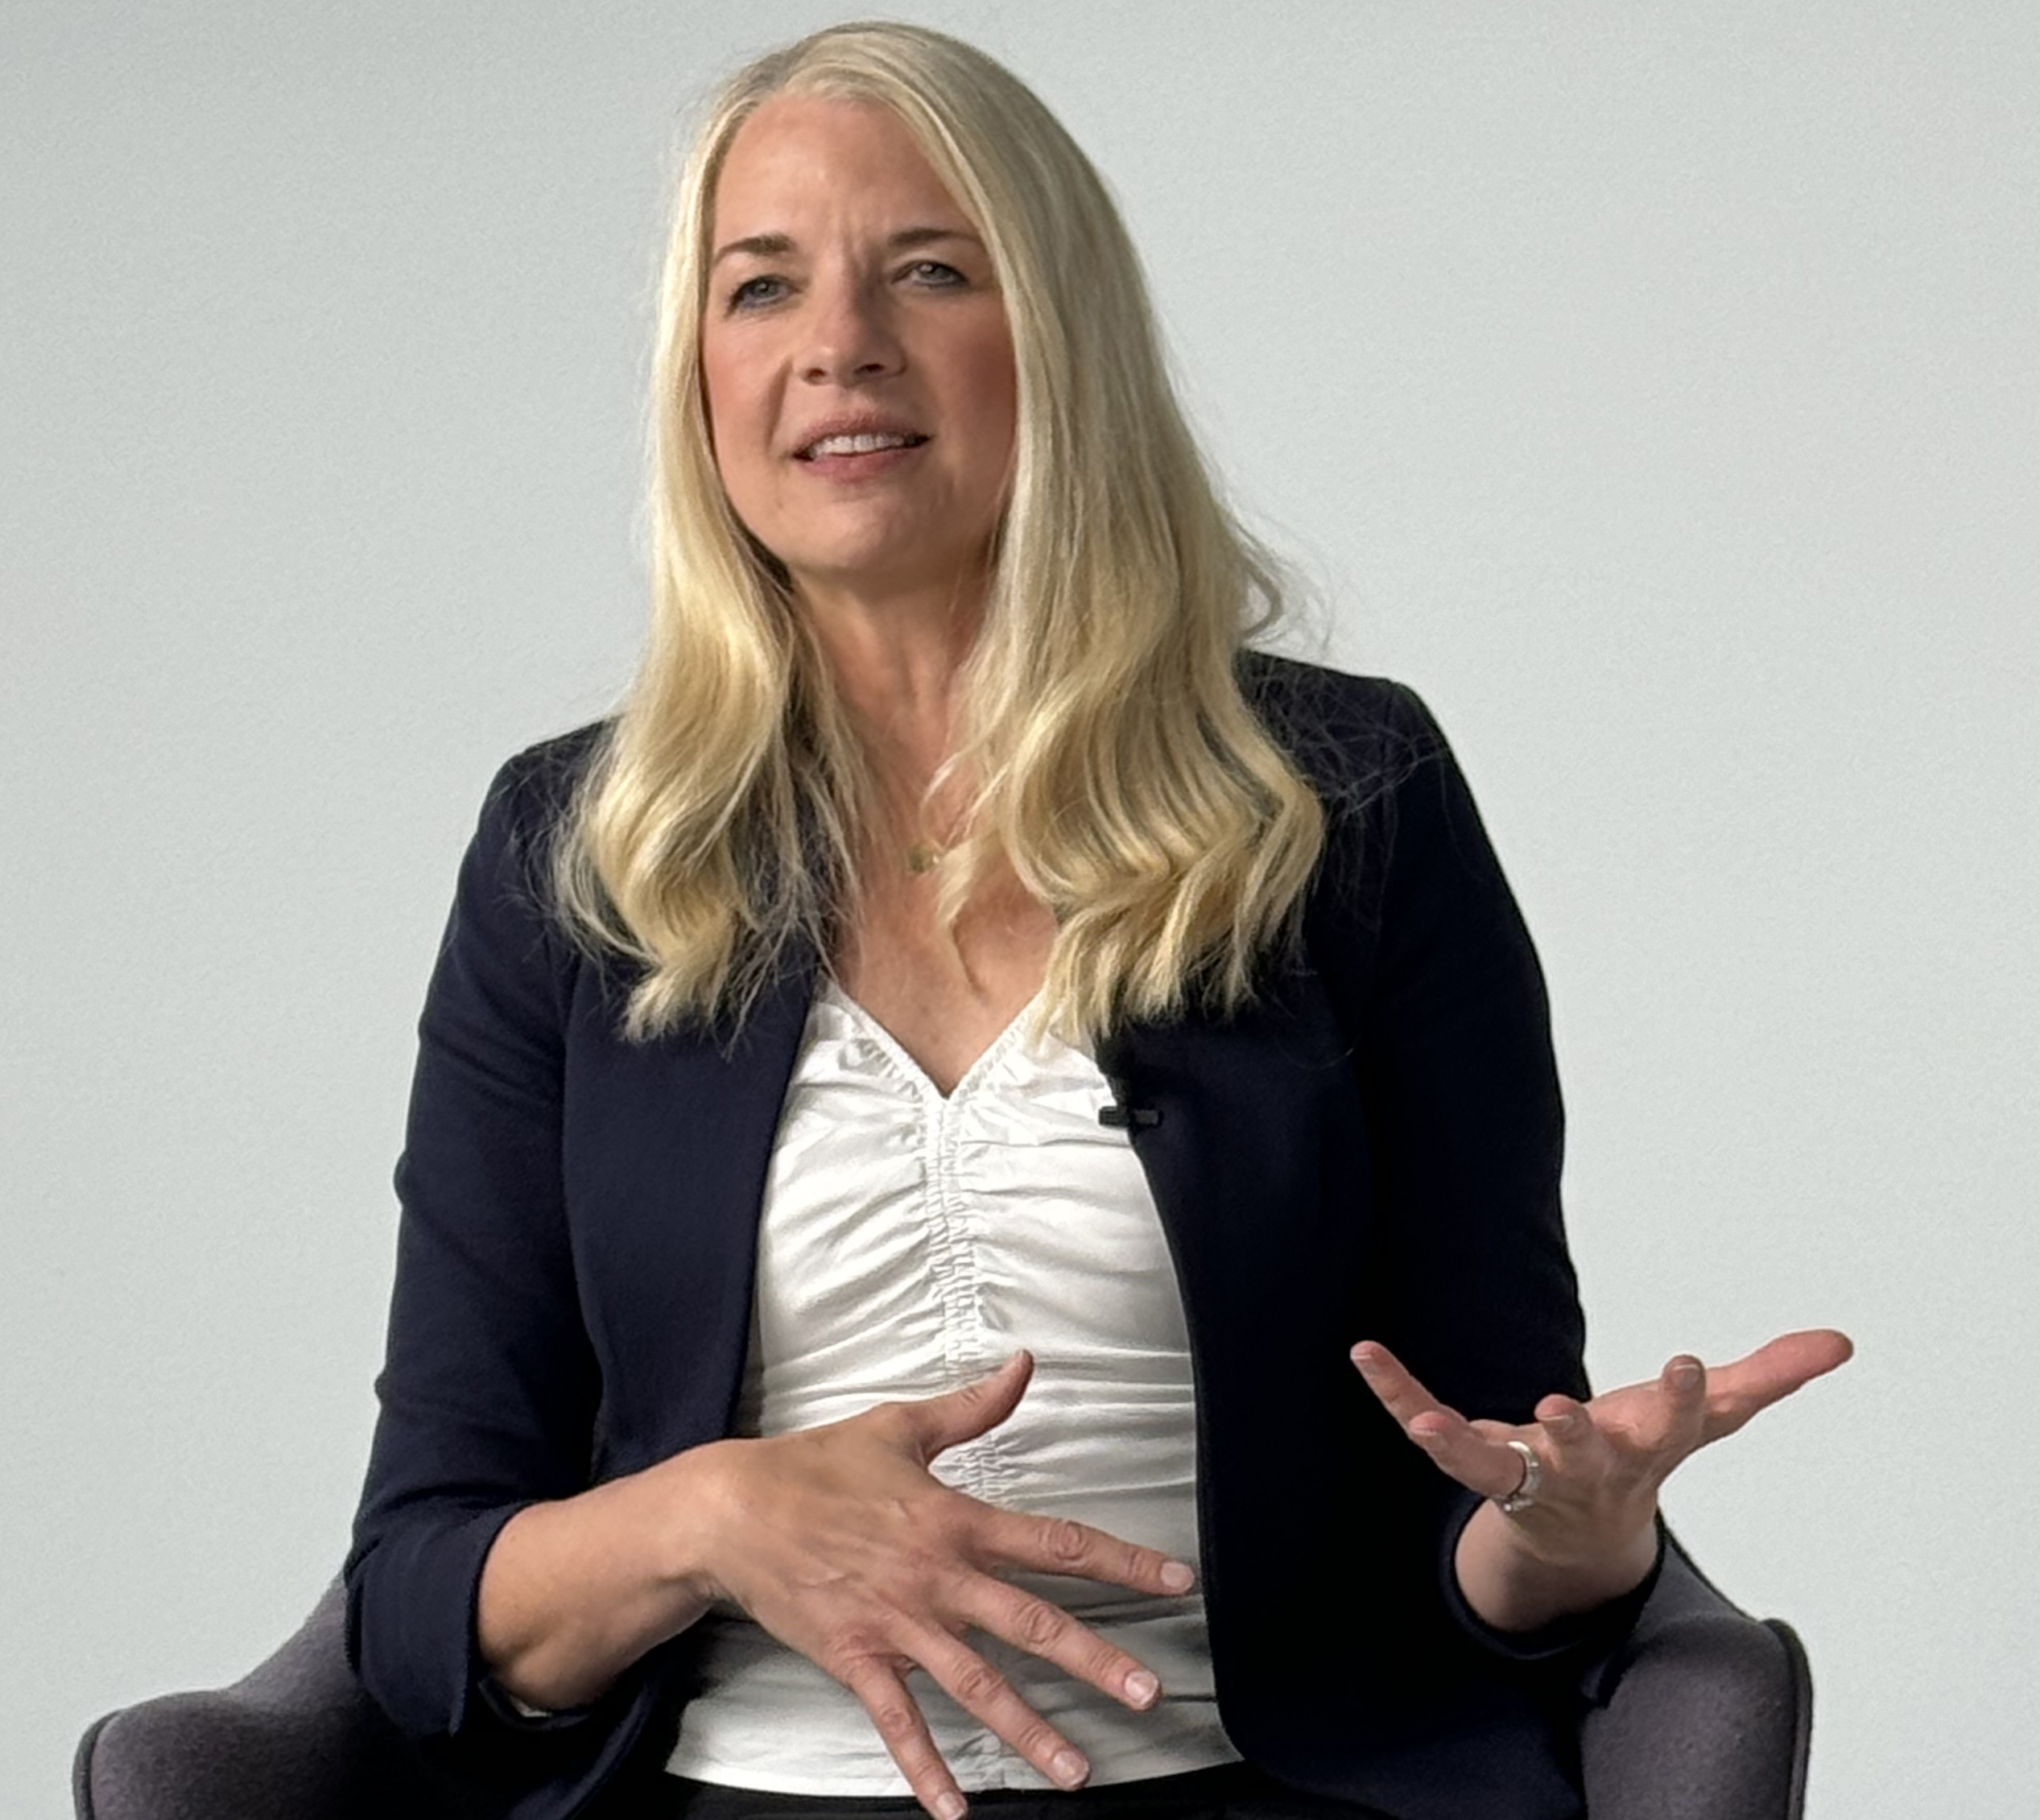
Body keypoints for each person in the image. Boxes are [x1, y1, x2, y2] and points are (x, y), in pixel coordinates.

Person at [343, 22, 1850, 1820]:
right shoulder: (576, 852)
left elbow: (1486, 1484)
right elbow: (424, 1593)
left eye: (929, 270)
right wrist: (714, 1517)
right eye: (759, 289)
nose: (838, 345)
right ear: (697, 375)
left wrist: (1570, 1530)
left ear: (1056, 338)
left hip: (1252, 1784)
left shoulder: (1335, 800)